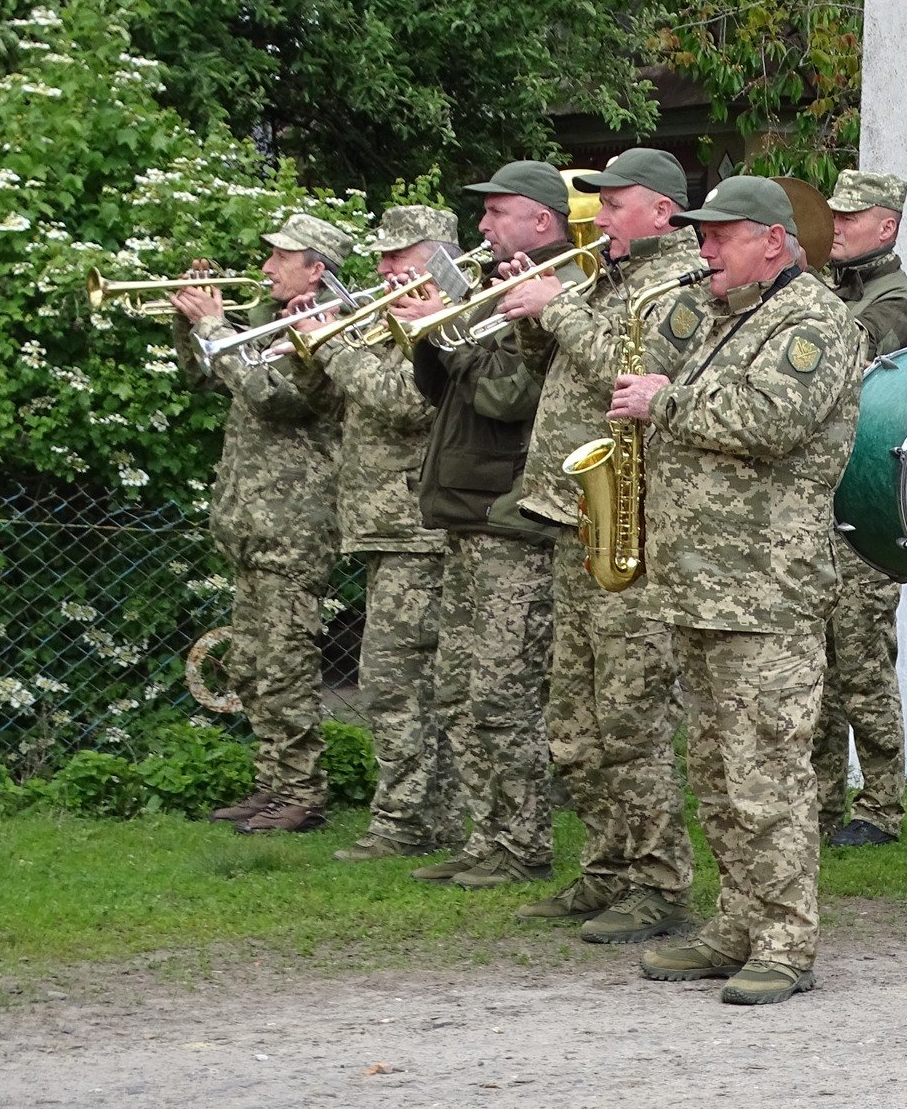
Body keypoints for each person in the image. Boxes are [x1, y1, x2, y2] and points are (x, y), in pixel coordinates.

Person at [616, 175, 861, 1006]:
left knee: (768, 773)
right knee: (718, 773)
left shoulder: (813, 320)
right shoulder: (726, 313)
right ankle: (736, 923)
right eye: (701, 235)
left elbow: (770, 422)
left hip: (766, 589)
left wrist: (665, 402)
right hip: (701, 585)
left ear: (774, 242)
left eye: (721, 236)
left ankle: (787, 940)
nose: (704, 249)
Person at [486, 148, 705, 940]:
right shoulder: (604, 277)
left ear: (662, 212)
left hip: (634, 524)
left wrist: (556, 308)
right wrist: (529, 317)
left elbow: (632, 369)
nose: (600, 216)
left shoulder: (682, 283)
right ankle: (607, 867)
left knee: (631, 717)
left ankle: (660, 883)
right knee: (576, 723)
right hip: (575, 516)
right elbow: (555, 369)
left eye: (615, 204)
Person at [400, 163, 571, 896]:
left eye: (496, 212)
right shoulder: (495, 289)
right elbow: (440, 391)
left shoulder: (558, 290)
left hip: (511, 520)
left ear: (540, 220)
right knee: (459, 691)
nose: (482, 226)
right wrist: (429, 335)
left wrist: (453, 328)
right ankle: (488, 836)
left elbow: (507, 395)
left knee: (502, 693)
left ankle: (524, 841)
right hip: (468, 516)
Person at [291, 205, 458, 862]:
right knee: (405, 682)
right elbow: (331, 401)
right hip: (385, 525)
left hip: (416, 525)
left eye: (398, 256)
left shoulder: (445, 318)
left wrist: (333, 346)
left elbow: (404, 402)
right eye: (382, 256)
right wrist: (313, 345)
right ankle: (425, 816)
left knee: (395, 682)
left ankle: (407, 822)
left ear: (437, 256)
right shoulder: (387, 318)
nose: (383, 268)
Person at [171, 213, 348, 834]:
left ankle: (300, 793)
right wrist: (188, 323)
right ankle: (272, 785)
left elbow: (272, 397)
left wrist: (214, 326)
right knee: (250, 663)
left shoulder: (328, 330)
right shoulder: (270, 323)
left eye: (281, 258)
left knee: (285, 666)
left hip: (294, 528)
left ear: (316, 270)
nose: (267, 267)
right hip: (250, 524)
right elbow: (200, 374)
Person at [815, 169, 907, 847]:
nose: (834, 227)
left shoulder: (896, 302)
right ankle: (820, 803)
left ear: (886, 226)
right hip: (826, 503)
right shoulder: (838, 288)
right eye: (832, 215)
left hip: (866, 508)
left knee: (861, 661)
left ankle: (882, 806)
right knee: (818, 665)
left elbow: (841, 354)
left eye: (849, 218)